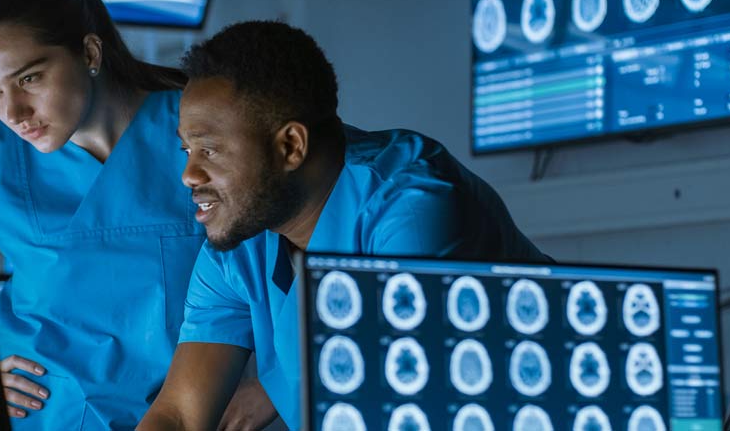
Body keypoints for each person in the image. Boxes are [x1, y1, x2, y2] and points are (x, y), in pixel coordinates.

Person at [0, 0, 266, 429]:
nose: (13, 113)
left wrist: (274, 388)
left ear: (89, 52)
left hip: (192, 411)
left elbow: (305, 238)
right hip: (42, 415)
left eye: (30, 79)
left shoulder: (200, 125)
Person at [138, 21, 551, 429]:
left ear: (291, 146)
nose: (189, 175)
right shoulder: (242, 237)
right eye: (187, 149)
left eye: (208, 150)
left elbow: (398, 411)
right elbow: (178, 417)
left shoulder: (412, 216)